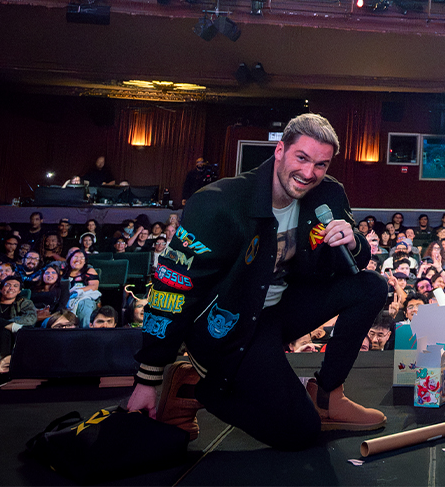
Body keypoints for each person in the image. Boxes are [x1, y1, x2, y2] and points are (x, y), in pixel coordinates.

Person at [126, 114, 386, 450]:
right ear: (280, 151)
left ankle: (327, 395)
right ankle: (198, 390)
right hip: (228, 326)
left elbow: (354, 262)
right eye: (302, 158)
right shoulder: (218, 202)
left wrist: (354, 243)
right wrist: (148, 377)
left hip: (279, 310)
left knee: (372, 286)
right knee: (301, 432)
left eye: (320, 164)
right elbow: (173, 287)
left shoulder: (329, 194)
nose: (309, 173)